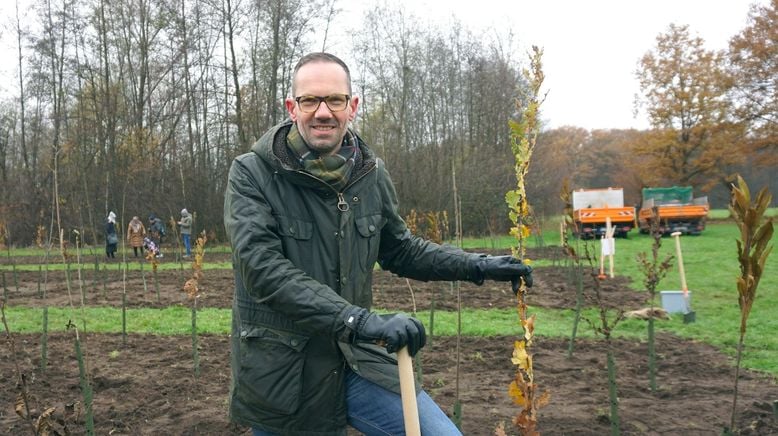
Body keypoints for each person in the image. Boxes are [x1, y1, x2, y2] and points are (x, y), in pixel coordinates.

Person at [223, 52, 534, 436]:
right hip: (285, 371)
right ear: (292, 107)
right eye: (310, 101)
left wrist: (476, 265)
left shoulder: (369, 173)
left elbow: (400, 249)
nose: (323, 112)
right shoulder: (251, 173)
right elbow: (262, 270)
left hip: (356, 359)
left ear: (352, 106)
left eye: (335, 100)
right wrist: (359, 321)